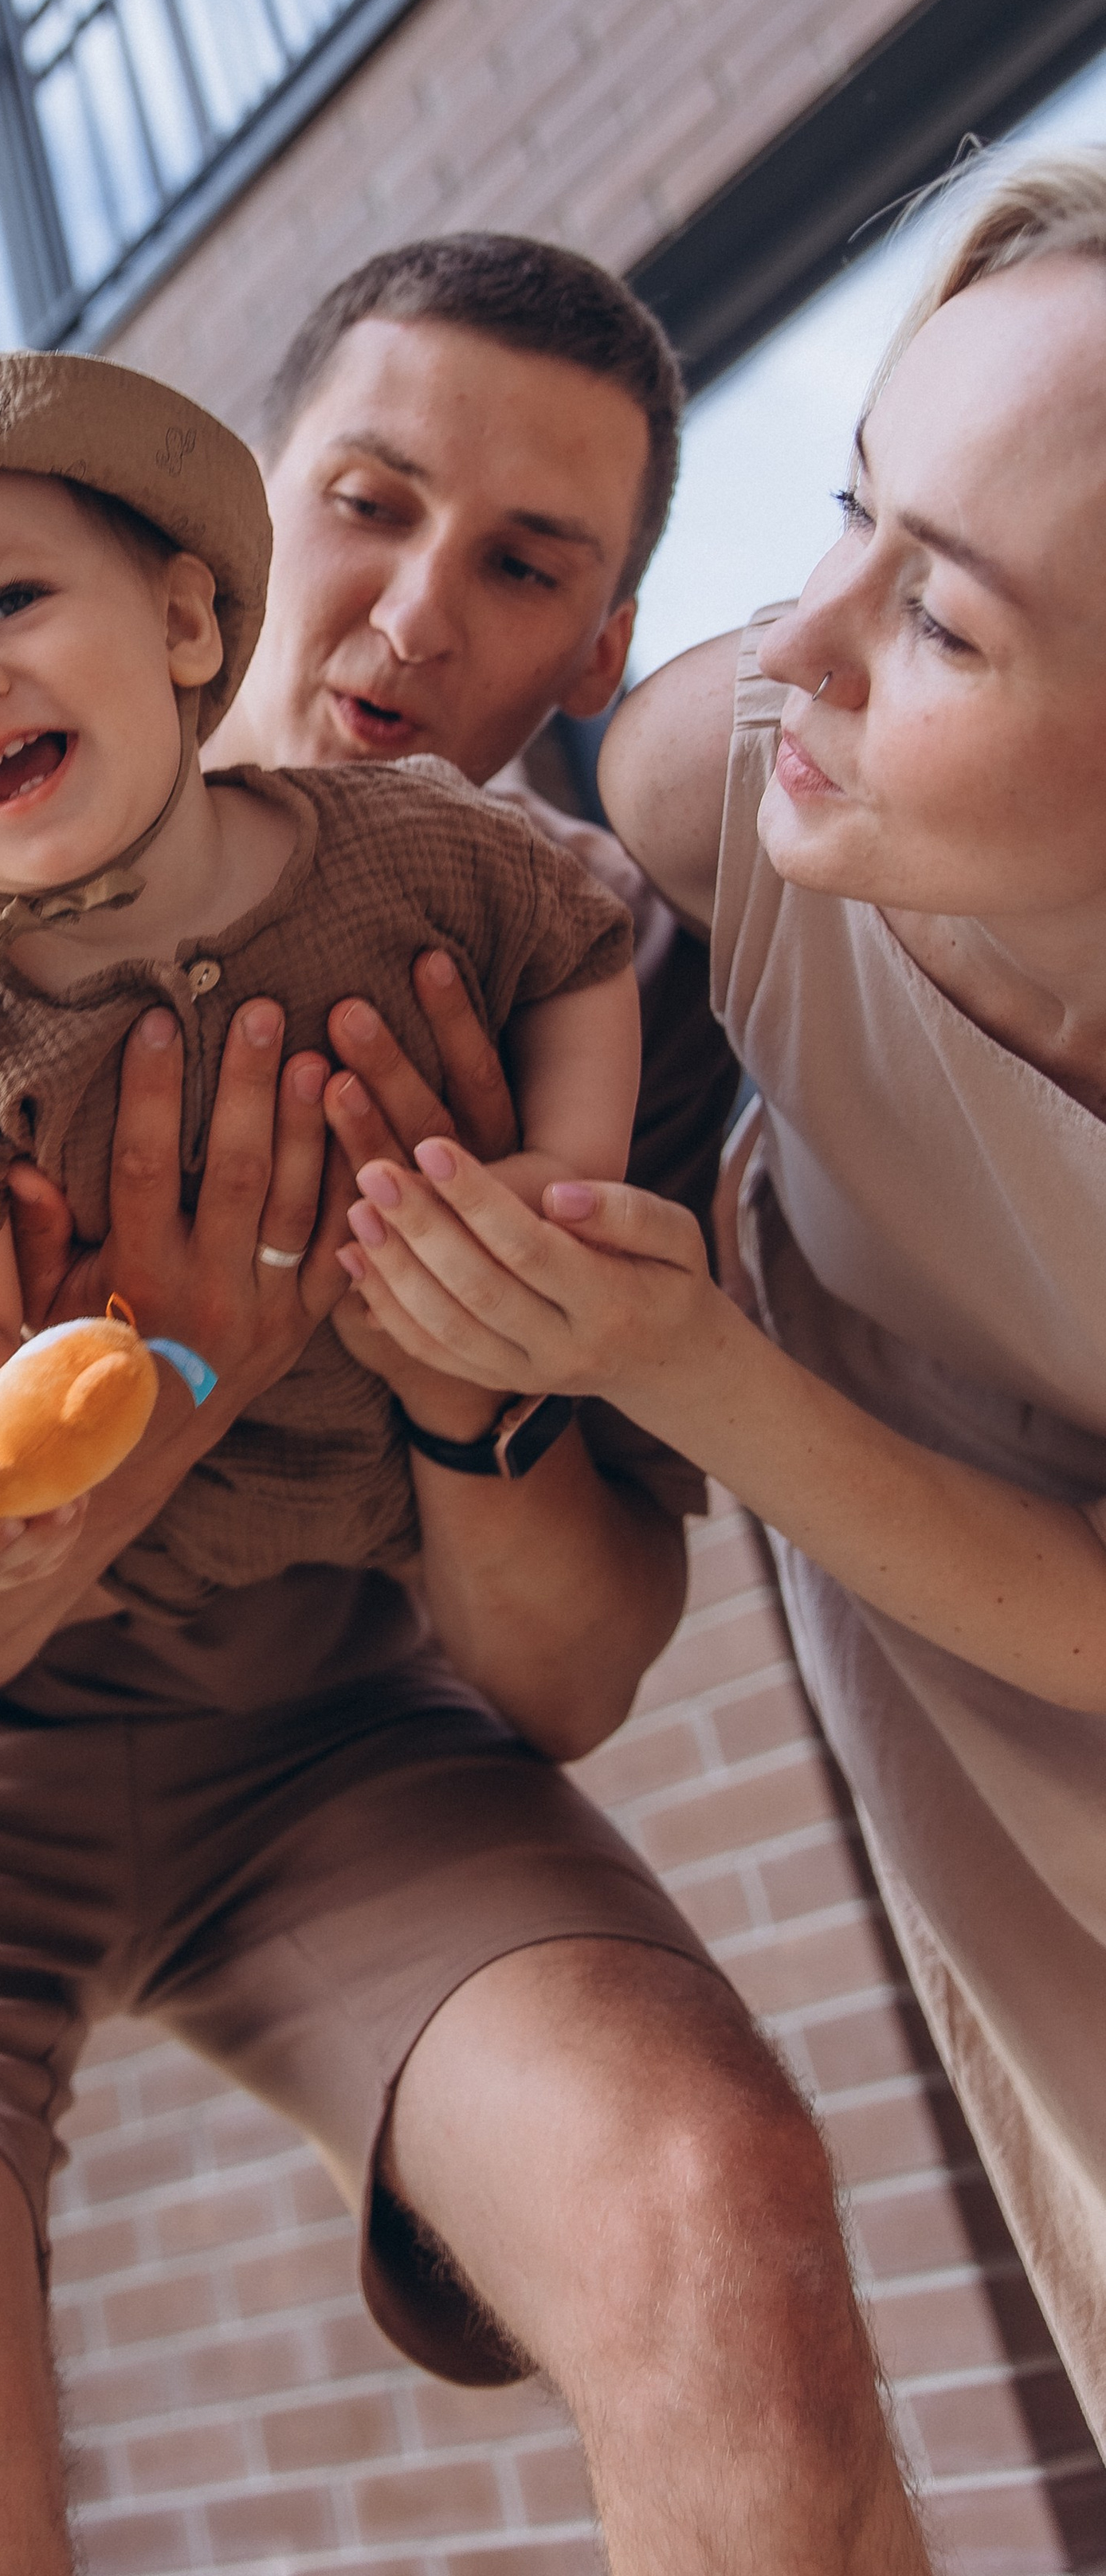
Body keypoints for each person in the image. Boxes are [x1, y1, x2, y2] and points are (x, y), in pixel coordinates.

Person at [0, 237, 930, 2573]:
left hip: (349, 1731)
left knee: (707, 2200)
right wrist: (173, 1370)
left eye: (521, 562)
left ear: (593, 650)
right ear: (223, 537)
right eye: (370, 498)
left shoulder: (586, 974)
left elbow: (565, 1676)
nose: (418, 611)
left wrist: (470, 1386)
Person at [331, 163, 1106, 2449]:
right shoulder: (721, 778)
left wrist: (680, 1364)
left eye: (942, 625)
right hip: (1003, 1800)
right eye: (844, 509)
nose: (800, 638)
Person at [0, 350, 637, 1782]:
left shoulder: (411, 844)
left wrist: (565, 1168)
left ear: (185, 620)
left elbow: (576, 949)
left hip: (383, 1548)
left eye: (9, 601)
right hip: (124, 1556)